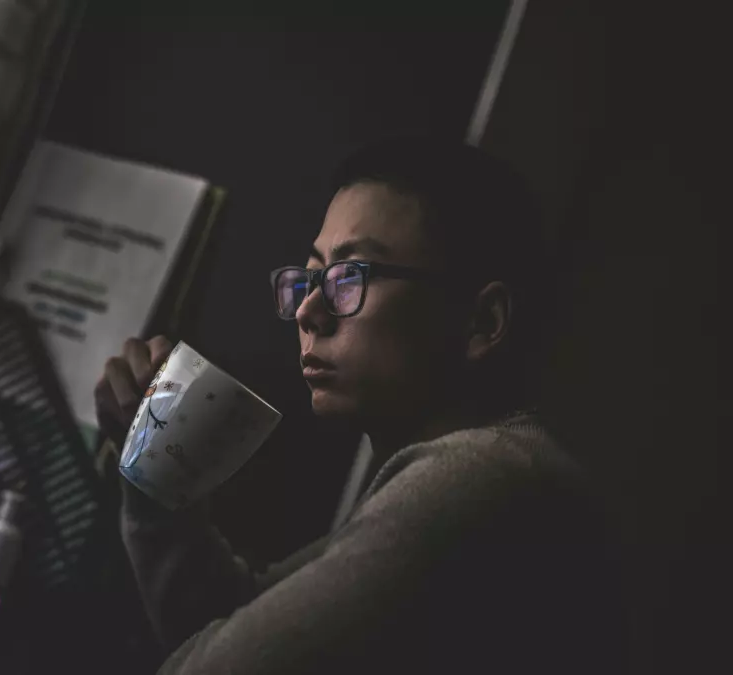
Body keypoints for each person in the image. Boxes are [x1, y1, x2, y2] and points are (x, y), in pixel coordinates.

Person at [94, 138, 626, 674]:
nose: (307, 311)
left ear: (482, 321)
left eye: (349, 277)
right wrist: (154, 469)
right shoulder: (484, 471)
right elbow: (232, 619)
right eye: (308, 278)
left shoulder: (483, 478)